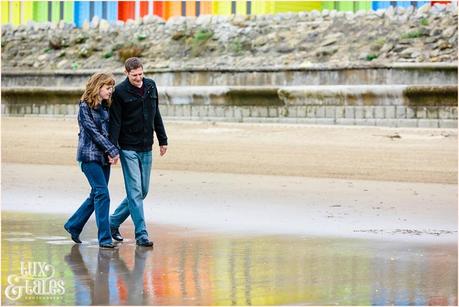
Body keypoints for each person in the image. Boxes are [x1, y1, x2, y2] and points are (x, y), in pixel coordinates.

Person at [109, 57, 168, 247]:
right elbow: (115, 121)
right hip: (127, 147)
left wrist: (163, 139)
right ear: (126, 73)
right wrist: (112, 149)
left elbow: (155, 113)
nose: (139, 78)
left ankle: (112, 222)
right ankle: (141, 234)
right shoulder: (119, 92)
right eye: (134, 75)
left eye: (141, 74)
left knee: (143, 190)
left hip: (146, 145)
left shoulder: (151, 86)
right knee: (134, 191)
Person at [64, 72, 119, 249]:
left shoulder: (107, 107)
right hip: (89, 156)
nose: (111, 91)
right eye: (108, 88)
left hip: (103, 157)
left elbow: (111, 132)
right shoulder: (84, 107)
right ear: (98, 87)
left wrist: (111, 151)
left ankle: (73, 225)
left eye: (112, 88)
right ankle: (105, 238)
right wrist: (112, 149)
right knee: (103, 194)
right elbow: (93, 132)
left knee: (96, 194)